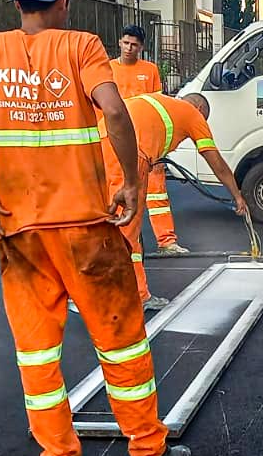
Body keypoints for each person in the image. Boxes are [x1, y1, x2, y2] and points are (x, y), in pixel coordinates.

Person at [0, 0, 191, 456]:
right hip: (87, 228)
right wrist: (133, 186)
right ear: (64, 4)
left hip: (18, 233)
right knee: (120, 343)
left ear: (19, 3)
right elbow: (115, 112)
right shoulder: (83, 46)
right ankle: (147, 452)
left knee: (37, 352)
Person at [102, 91, 248, 311]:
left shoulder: (160, 101)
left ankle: (89, 290)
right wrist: (237, 195)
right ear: (200, 110)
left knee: (102, 218)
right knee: (127, 230)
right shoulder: (193, 113)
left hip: (101, 138)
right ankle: (138, 295)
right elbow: (215, 160)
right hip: (131, 152)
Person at [110, 25, 189, 256]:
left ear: (141, 47)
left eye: (134, 44)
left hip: (146, 141)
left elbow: (159, 104)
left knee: (157, 191)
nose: (129, 48)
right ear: (120, 42)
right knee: (117, 191)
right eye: (126, 43)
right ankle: (118, 242)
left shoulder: (150, 70)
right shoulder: (107, 68)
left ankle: (166, 241)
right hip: (117, 139)